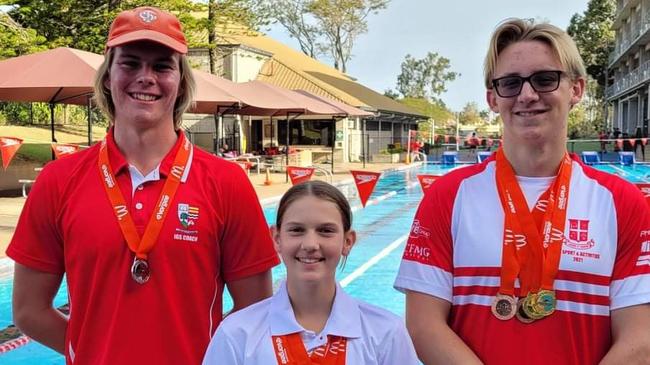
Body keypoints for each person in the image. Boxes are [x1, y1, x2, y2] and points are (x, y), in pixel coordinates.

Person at [7, 7, 279, 365]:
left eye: (162, 66)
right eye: (130, 63)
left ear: (180, 80)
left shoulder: (227, 183)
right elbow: (29, 310)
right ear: (108, 76)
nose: (145, 77)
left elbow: (255, 310)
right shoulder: (59, 181)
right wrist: (91, 352)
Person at [394, 18, 650, 365]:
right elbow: (423, 325)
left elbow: (640, 337)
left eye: (545, 79)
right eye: (511, 83)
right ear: (492, 98)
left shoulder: (624, 203)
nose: (527, 95)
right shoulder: (448, 195)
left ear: (576, 89)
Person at [203, 181, 419, 364]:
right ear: (277, 239)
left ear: (347, 241)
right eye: (297, 230)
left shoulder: (386, 333)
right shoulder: (237, 333)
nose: (310, 244)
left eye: (325, 231)